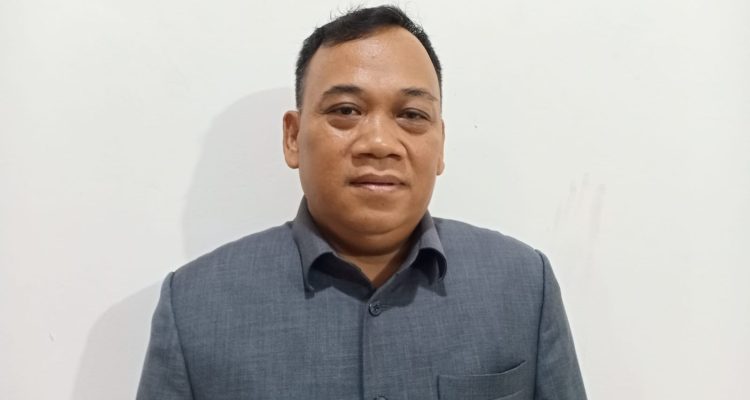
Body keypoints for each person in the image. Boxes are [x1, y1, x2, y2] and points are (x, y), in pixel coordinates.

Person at [137, 5, 587, 400]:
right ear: (293, 137)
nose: (379, 143)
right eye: (346, 111)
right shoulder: (194, 307)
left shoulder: (523, 285)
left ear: (441, 144)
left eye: (411, 115)